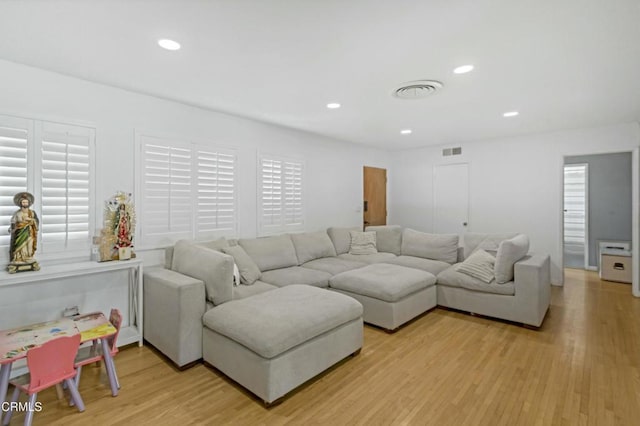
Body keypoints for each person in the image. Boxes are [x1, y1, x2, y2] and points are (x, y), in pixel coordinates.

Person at [8, 192, 39, 264]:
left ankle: (28, 257)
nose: (25, 203)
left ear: (29, 203)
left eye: (26, 202)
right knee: (19, 245)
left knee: (29, 244)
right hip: (19, 232)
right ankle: (19, 257)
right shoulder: (17, 213)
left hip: (30, 231)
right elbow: (13, 222)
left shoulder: (32, 212)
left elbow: (36, 220)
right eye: (23, 202)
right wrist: (12, 228)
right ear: (20, 203)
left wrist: (32, 220)